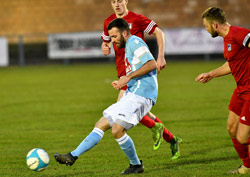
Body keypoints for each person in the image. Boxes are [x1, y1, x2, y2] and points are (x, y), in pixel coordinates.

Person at [55, 18, 160, 175]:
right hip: (133, 92)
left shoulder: (134, 42)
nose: (113, 41)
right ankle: (72, 156)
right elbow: (137, 69)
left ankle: (136, 165)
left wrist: (128, 78)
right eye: (110, 37)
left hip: (142, 94)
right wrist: (122, 82)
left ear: (125, 33)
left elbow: (152, 64)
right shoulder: (129, 46)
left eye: (114, 37)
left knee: (117, 130)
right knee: (102, 123)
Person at [101, 0, 182, 159]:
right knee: (138, 111)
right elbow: (107, 41)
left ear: (126, 1)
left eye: (119, 1)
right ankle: (171, 139)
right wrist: (105, 46)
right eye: (113, 1)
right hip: (123, 73)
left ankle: (137, 161)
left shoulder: (137, 18)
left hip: (137, 73)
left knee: (122, 110)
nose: (117, 4)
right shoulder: (109, 22)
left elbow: (159, 32)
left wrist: (160, 56)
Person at [195, 7, 250, 174]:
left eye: (206, 26)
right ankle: (247, 166)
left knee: (242, 137)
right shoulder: (226, 40)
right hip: (241, 90)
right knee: (232, 129)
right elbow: (231, 65)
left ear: (214, 24)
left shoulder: (239, 34)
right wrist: (211, 74)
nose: (205, 29)